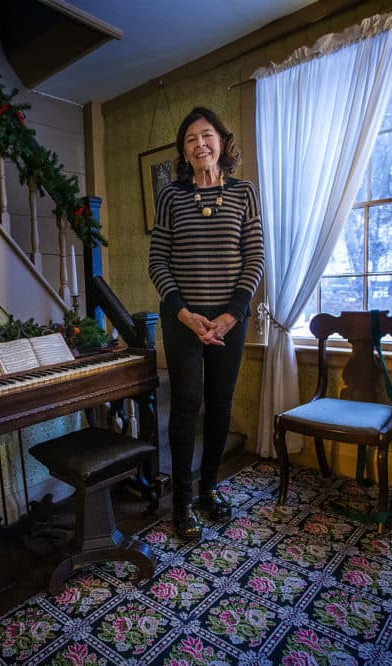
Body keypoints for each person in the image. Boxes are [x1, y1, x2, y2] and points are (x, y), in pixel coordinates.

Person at [148, 107, 264, 539]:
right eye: (191, 138)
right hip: (183, 321)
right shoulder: (170, 197)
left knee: (220, 402)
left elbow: (255, 257)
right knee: (186, 404)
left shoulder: (244, 193)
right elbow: (157, 260)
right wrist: (183, 311)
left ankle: (209, 489)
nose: (200, 144)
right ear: (183, 150)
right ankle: (180, 501)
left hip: (229, 321)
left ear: (221, 141)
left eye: (207, 135)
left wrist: (231, 314)